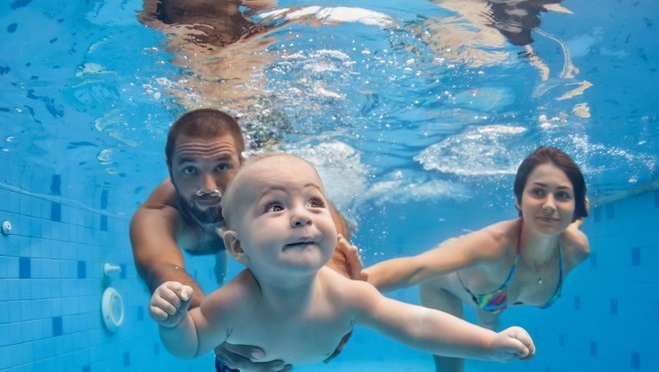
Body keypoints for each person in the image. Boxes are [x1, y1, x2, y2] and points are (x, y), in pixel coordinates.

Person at [149, 153, 536, 368]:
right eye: (275, 207)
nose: (301, 215)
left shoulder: (347, 296)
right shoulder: (230, 305)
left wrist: (489, 343)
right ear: (237, 248)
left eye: (314, 202)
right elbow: (193, 344)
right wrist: (174, 322)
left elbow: (418, 324)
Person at [129, 108, 360, 371]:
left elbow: (328, 227)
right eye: (190, 169)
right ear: (170, 170)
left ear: (242, 163)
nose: (208, 187)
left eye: (222, 166)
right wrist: (218, 330)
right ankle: (221, 259)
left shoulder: (268, 191)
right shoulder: (158, 214)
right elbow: (162, 268)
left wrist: (337, 299)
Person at [363, 146, 590, 372]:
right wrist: (346, 283)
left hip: (492, 288)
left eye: (562, 195)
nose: (550, 206)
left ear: (574, 206)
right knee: (451, 369)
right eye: (538, 192)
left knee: (490, 316)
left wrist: (577, 216)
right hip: (446, 283)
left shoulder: (576, 250)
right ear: (520, 200)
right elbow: (415, 267)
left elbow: (573, 222)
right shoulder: (493, 245)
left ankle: (489, 314)